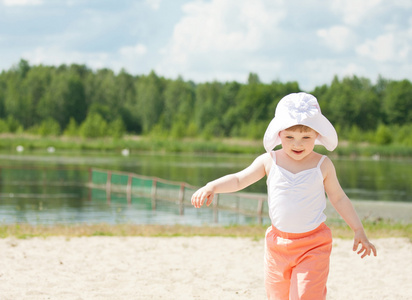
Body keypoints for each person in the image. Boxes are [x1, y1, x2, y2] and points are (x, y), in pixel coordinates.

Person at [191, 92, 377, 300]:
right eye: (290, 137)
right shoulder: (269, 160)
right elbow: (239, 179)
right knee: (277, 296)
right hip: (277, 245)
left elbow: (339, 198)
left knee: (305, 295)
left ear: (317, 135)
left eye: (306, 137)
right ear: (279, 134)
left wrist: (358, 229)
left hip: (313, 245)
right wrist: (212, 186)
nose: (297, 144)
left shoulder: (322, 164)